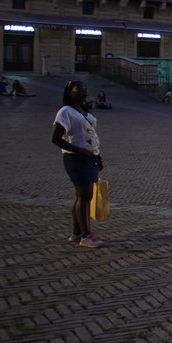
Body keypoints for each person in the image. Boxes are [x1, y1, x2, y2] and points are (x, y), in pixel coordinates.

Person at [50, 80, 105, 248]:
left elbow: (90, 134)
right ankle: (87, 236)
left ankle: (77, 233)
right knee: (85, 195)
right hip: (76, 158)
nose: (83, 92)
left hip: (90, 157)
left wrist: (97, 156)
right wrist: (79, 150)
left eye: (84, 89)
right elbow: (56, 138)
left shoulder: (82, 110)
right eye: (78, 90)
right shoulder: (65, 112)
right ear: (69, 92)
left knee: (82, 195)